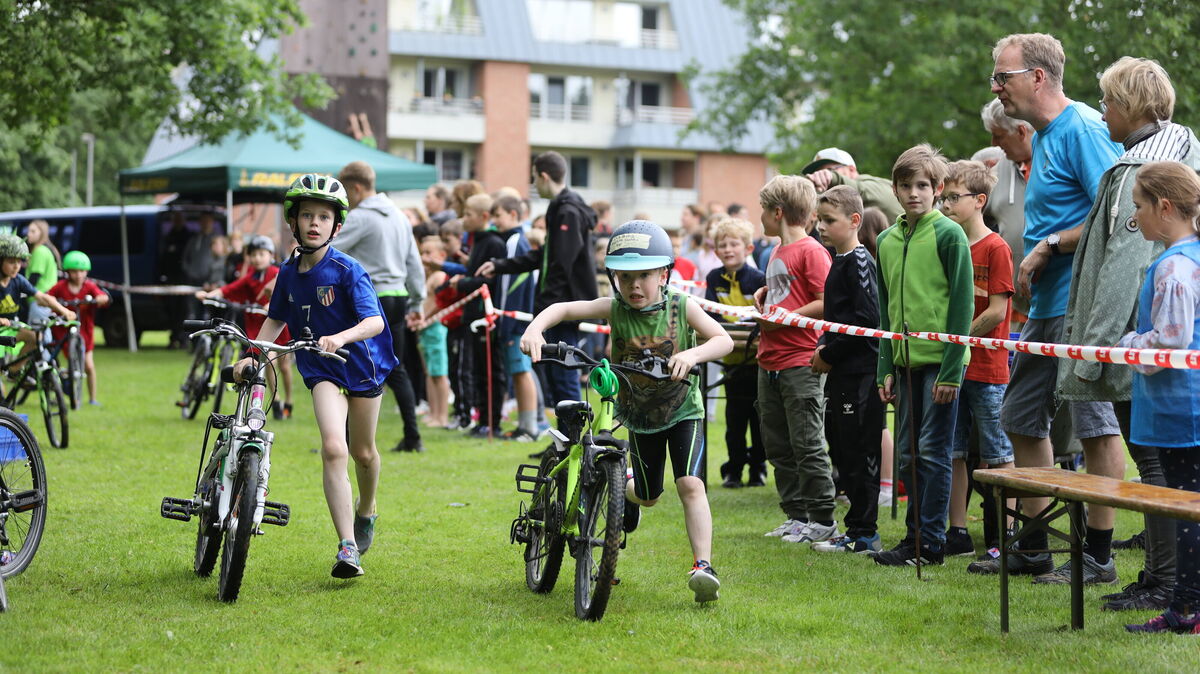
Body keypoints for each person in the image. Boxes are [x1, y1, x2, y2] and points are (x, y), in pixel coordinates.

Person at [972, 32, 1124, 579]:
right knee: (1019, 416)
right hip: (1045, 312)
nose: (995, 86)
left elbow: (1119, 217)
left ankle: (1098, 556)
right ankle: (1035, 546)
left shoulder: (1082, 129)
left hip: (1083, 309)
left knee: (1096, 426)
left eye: (1002, 76)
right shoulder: (1042, 137)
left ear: (1037, 77)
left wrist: (1049, 245)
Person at [520, 220, 734, 603]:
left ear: (664, 274)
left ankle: (703, 566)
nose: (635, 286)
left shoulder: (682, 306)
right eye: (625, 277)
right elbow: (563, 308)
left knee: (690, 484)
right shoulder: (614, 308)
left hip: (683, 409)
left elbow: (723, 340)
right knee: (647, 496)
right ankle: (623, 493)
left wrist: (692, 353)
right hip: (639, 417)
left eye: (645, 276)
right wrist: (536, 329)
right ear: (614, 278)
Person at [1054, 57, 1200, 597]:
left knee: (1157, 469)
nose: (1102, 111)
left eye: (1108, 101)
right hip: (1153, 350)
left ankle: (1166, 581)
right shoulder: (1180, 151)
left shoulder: (1140, 175)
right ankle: (1164, 576)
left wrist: (1095, 352)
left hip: (1141, 351)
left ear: (1132, 106)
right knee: (1162, 468)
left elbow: (1122, 269)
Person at [235, 173, 397, 579]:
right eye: (306, 215)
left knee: (363, 453)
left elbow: (375, 322)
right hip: (321, 369)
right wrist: (252, 355)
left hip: (362, 367)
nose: (314, 223)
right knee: (333, 448)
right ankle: (347, 547)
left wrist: (339, 337)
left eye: (323, 217)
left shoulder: (348, 269)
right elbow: (275, 319)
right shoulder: (287, 273)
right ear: (293, 222)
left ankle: (367, 508)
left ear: (336, 226)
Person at [872, 144, 973, 566]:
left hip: (941, 364)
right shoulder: (885, 240)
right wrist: (885, 366)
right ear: (894, 189)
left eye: (923, 186)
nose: (914, 193)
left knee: (934, 452)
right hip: (904, 362)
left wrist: (952, 370)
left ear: (938, 189)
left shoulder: (950, 234)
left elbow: (963, 305)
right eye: (906, 185)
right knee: (910, 453)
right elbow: (883, 310)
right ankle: (913, 537)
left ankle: (931, 543)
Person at [1117, 161, 1200, 634]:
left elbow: (1170, 342)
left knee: (1185, 511)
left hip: (1179, 411)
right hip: (1185, 408)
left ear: (1164, 207)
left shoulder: (1174, 266)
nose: (1136, 218)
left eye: (1139, 207)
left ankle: (1186, 610)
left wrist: (1129, 344)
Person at [752, 175, 837, 545]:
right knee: (778, 445)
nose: (760, 218)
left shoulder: (812, 250)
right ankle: (796, 515)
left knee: (807, 443)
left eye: (763, 210)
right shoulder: (776, 252)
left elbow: (825, 302)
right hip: (767, 361)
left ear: (778, 212)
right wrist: (766, 294)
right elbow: (788, 292)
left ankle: (822, 519)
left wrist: (783, 315)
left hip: (799, 361)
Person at [478, 151, 598, 409]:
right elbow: (545, 256)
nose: (533, 184)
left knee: (563, 375)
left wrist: (544, 308)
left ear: (544, 176)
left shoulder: (568, 211)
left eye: (534, 178)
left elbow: (561, 265)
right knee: (555, 373)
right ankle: (564, 443)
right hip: (556, 305)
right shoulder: (559, 208)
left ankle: (573, 443)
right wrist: (500, 266)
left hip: (563, 307)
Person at [937, 160, 1015, 559]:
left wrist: (958, 339)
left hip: (987, 369)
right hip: (954, 369)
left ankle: (1004, 533)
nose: (945, 204)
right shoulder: (948, 245)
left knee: (997, 453)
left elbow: (998, 311)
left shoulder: (995, 247)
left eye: (954, 197)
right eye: (943, 197)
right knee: (954, 450)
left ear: (979, 200)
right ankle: (958, 531)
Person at [808, 185, 884, 554]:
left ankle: (864, 532)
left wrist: (830, 353)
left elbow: (867, 322)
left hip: (860, 376)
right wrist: (826, 345)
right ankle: (855, 527)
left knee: (860, 452)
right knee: (842, 449)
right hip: (841, 373)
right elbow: (839, 317)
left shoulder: (859, 261)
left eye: (829, 220)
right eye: (819, 219)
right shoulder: (837, 259)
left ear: (854, 221)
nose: (821, 227)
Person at [336, 161, 427, 453]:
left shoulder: (361, 217)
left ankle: (345, 439)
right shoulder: (400, 217)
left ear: (358, 187)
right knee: (394, 368)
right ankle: (413, 436)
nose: (346, 200)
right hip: (398, 297)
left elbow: (327, 249)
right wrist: (418, 300)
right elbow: (414, 262)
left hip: (369, 299)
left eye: (347, 192)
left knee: (353, 365)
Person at [195, 236, 294, 420]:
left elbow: (287, 294)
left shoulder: (277, 273)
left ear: (270, 255)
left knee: (285, 366)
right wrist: (210, 294)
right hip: (258, 330)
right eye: (254, 254)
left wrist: (272, 305)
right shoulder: (250, 278)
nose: (257, 258)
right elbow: (230, 289)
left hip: (279, 328)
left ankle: (288, 400)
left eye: (262, 254)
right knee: (268, 361)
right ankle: (276, 401)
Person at [704, 217, 766, 488]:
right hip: (730, 360)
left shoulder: (759, 278)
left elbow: (762, 315)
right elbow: (709, 313)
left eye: (734, 244)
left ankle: (758, 469)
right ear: (716, 251)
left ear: (748, 248)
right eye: (722, 245)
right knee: (734, 419)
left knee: (760, 420)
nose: (728, 249)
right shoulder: (713, 277)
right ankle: (734, 469)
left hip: (757, 362)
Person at [452, 193, 507, 437]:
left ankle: (491, 421)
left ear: (484, 216)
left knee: (489, 371)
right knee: (476, 370)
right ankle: (481, 417)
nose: (464, 219)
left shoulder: (494, 243)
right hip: (473, 316)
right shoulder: (478, 241)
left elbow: (488, 281)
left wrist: (463, 283)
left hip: (487, 317)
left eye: (469, 215)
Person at [491, 195, 542, 441]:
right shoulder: (516, 240)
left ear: (513, 215)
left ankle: (530, 427)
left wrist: (503, 319)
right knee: (519, 371)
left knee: (522, 372)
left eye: (498, 215)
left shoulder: (514, 241)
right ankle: (525, 424)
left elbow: (509, 286)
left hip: (515, 321)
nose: (494, 221)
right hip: (516, 320)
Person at [980, 98, 1035, 318]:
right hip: (1013, 308)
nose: (994, 143)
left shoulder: (1055, 161)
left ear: (1021, 132)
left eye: (999, 135)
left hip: (1061, 301)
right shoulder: (996, 171)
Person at [0, 234, 75, 380]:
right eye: (11, 261)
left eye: (19, 261)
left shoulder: (18, 280)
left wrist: (64, 311)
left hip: (11, 327)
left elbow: (42, 297)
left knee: (38, 338)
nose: (16, 266)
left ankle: (14, 370)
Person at [48, 250, 108, 405]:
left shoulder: (89, 286)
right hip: (64, 331)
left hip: (85, 331)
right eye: (74, 271)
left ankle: (92, 398)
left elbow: (102, 296)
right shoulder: (61, 287)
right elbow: (48, 296)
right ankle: (60, 392)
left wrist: (100, 299)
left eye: (81, 271)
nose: (78, 275)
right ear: (68, 272)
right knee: (59, 364)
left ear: (86, 271)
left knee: (89, 365)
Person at [803, 147, 904, 222]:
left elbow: (858, 190)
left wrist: (832, 177)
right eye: (818, 174)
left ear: (851, 169)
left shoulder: (871, 184)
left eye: (829, 170)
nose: (821, 177)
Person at [417, 236, 451, 429]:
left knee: (439, 373)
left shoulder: (439, 277)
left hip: (435, 328)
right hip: (426, 329)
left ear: (441, 255)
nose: (424, 257)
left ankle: (442, 416)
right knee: (430, 373)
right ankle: (433, 412)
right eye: (423, 252)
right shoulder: (429, 276)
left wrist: (425, 318)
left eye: (429, 253)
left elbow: (440, 303)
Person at [23, 219, 60, 324]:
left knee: (37, 336)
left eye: (33, 231)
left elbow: (34, 278)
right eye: (28, 231)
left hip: (39, 299)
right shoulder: (44, 250)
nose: (28, 234)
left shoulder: (40, 251)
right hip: (46, 299)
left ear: (42, 233)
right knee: (44, 334)